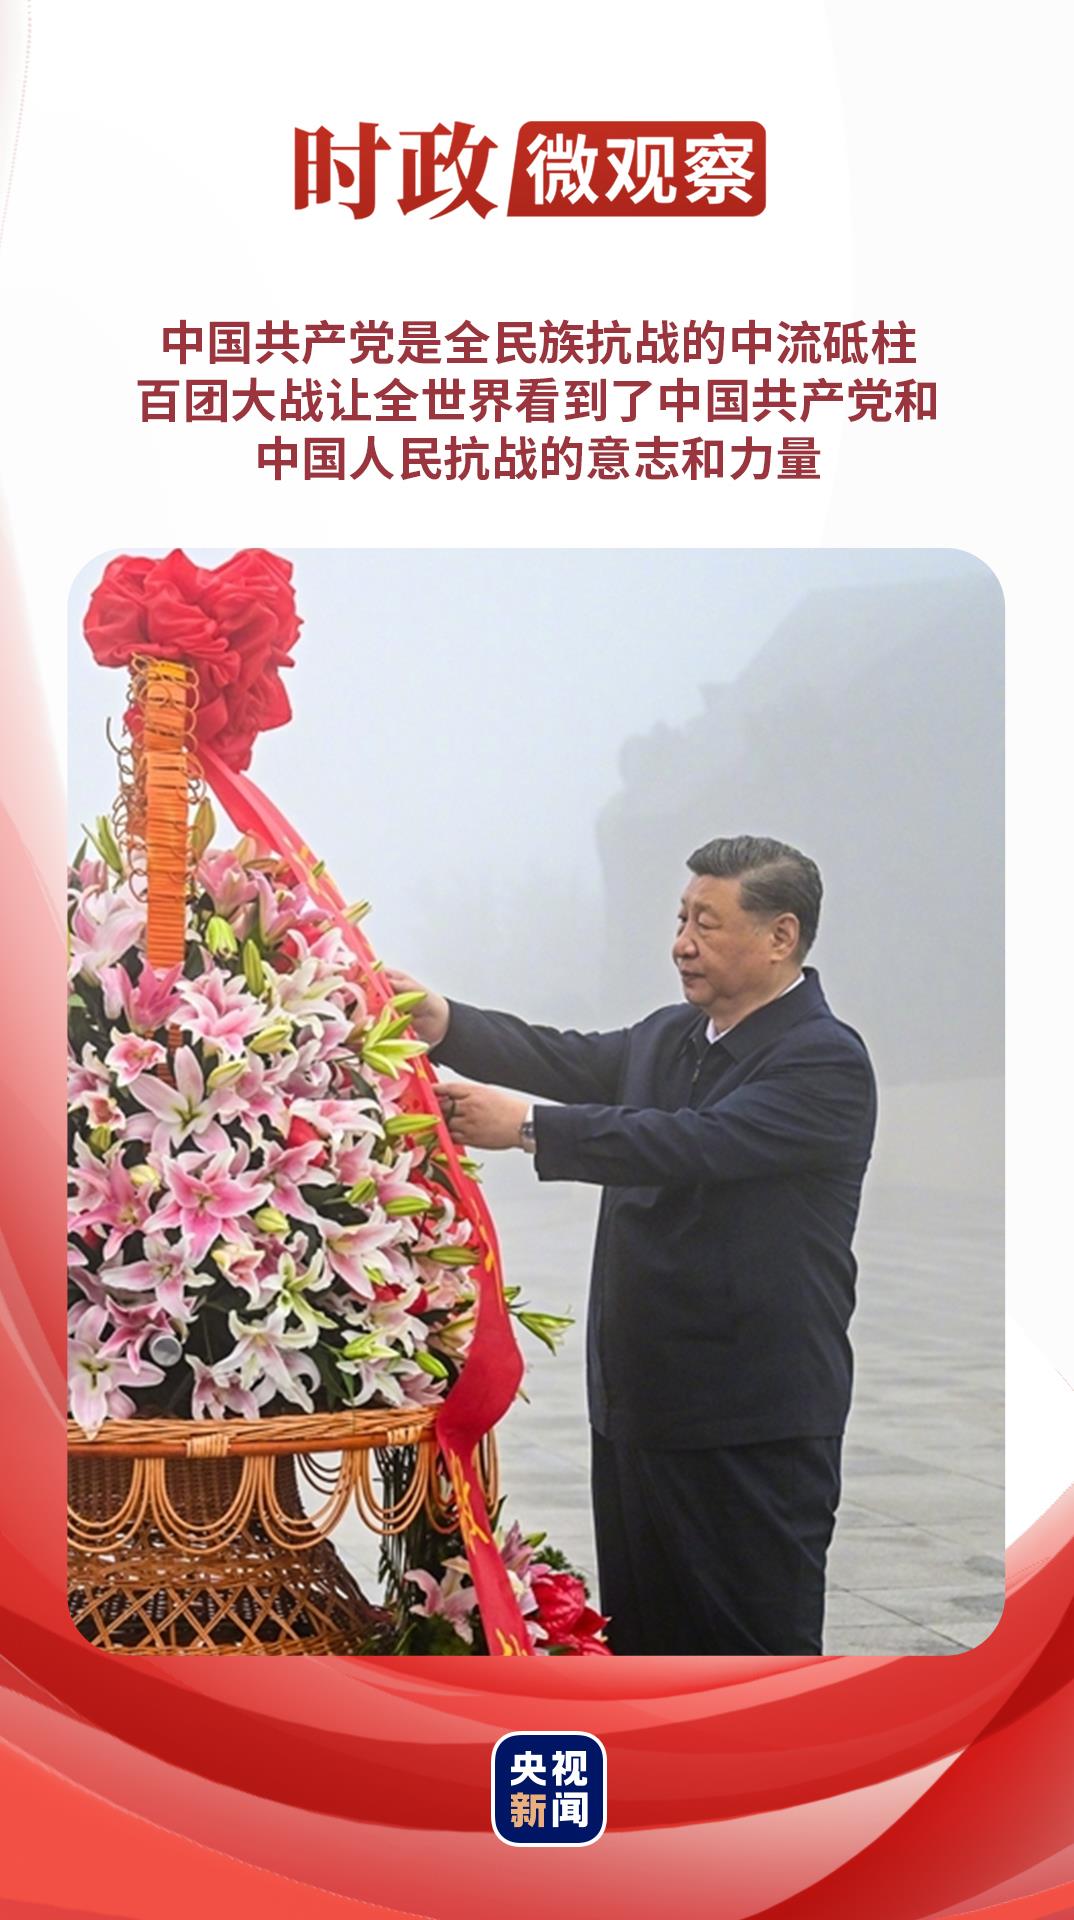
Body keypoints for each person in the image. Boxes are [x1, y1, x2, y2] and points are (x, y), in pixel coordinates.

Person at [387, 835, 877, 1656]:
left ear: (781, 936)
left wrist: (530, 1128)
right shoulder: (671, 1036)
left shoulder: (823, 1062)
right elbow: (564, 1055)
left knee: (748, 1659)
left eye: (707, 924)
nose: (682, 943)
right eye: (681, 919)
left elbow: (691, 1143)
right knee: (646, 1650)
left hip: (748, 1422)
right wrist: (446, 1021)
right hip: (639, 1409)